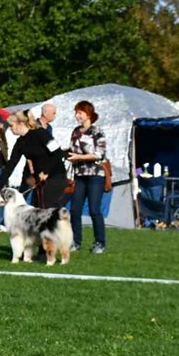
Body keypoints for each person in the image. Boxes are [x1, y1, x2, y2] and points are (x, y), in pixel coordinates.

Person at [0, 109, 67, 209]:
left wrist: (46, 171)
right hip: (39, 178)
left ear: (20, 124)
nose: (11, 129)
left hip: (55, 176)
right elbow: (11, 165)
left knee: (49, 211)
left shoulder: (41, 133)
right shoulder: (20, 142)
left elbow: (58, 153)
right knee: (38, 210)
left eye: (12, 126)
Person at [67, 101, 108, 254]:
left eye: (80, 113)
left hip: (95, 175)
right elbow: (72, 150)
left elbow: (99, 154)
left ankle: (100, 242)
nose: (77, 116)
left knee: (94, 210)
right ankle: (76, 242)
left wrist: (80, 156)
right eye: (76, 112)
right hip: (79, 175)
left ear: (88, 114)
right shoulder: (76, 132)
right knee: (75, 210)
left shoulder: (97, 131)